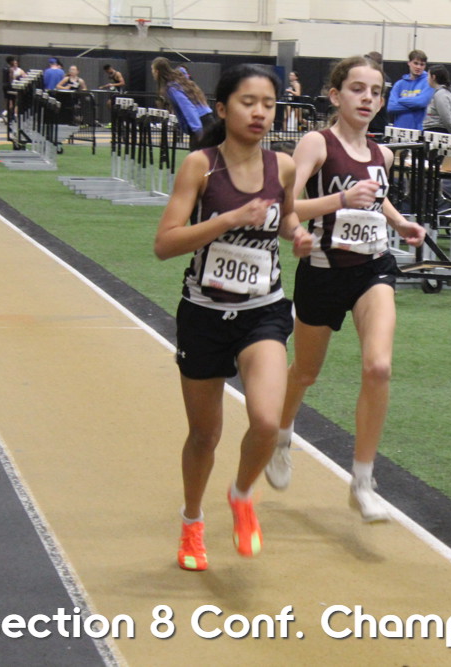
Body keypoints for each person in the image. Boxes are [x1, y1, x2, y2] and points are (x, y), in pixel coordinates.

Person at [153, 63, 313, 571]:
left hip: (263, 310)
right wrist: (226, 219)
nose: (260, 112)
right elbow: (165, 244)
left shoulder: (282, 166)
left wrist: (296, 234)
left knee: (266, 420)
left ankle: (242, 495)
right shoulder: (200, 167)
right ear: (222, 109)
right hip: (204, 314)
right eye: (248, 102)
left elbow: (286, 217)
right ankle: (192, 522)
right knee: (205, 436)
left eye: (268, 104)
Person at [264, 55, 426, 522]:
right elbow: (285, 205)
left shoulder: (383, 155)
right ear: (335, 96)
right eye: (357, 89)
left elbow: (376, 197)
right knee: (305, 373)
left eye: (376, 92)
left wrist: (399, 222)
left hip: (373, 268)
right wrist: (336, 200)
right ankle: (281, 434)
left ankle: (362, 480)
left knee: (378, 367)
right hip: (322, 271)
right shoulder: (317, 143)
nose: (367, 99)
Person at [152, 57, 214, 146]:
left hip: (201, 123)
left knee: (199, 153)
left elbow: (187, 107)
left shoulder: (172, 88)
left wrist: (198, 132)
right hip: (205, 119)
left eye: (152, 70)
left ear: (157, 71)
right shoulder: (178, 80)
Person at [387, 49, 433, 130]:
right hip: (399, 130)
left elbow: (421, 102)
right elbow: (391, 107)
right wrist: (414, 105)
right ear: (409, 63)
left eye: (422, 64)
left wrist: (400, 100)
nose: (418, 67)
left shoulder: (428, 82)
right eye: (415, 63)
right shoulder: (399, 84)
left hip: (418, 131)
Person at [422, 64, 451, 135]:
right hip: (439, 131)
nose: (427, 79)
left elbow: (447, 119)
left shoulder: (441, 94)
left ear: (433, 77)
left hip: (436, 132)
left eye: (428, 76)